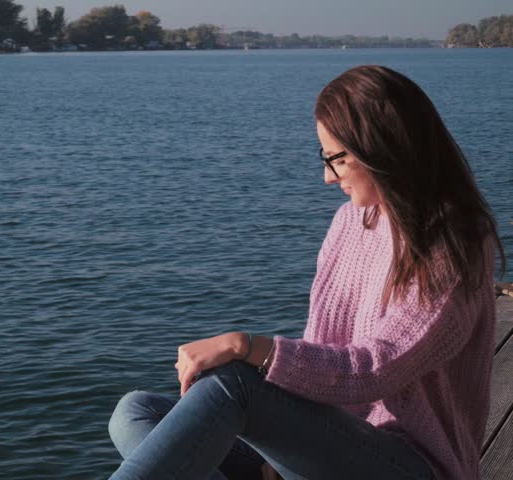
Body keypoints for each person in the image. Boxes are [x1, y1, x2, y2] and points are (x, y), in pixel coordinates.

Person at [106, 65, 506, 480]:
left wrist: (246, 345)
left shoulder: (453, 240)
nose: (327, 177)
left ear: (381, 148)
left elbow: (374, 369)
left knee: (235, 383)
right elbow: (323, 353)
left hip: (413, 466)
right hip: (331, 448)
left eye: (336, 159)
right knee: (135, 411)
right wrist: (284, 448)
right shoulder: (350, 224)